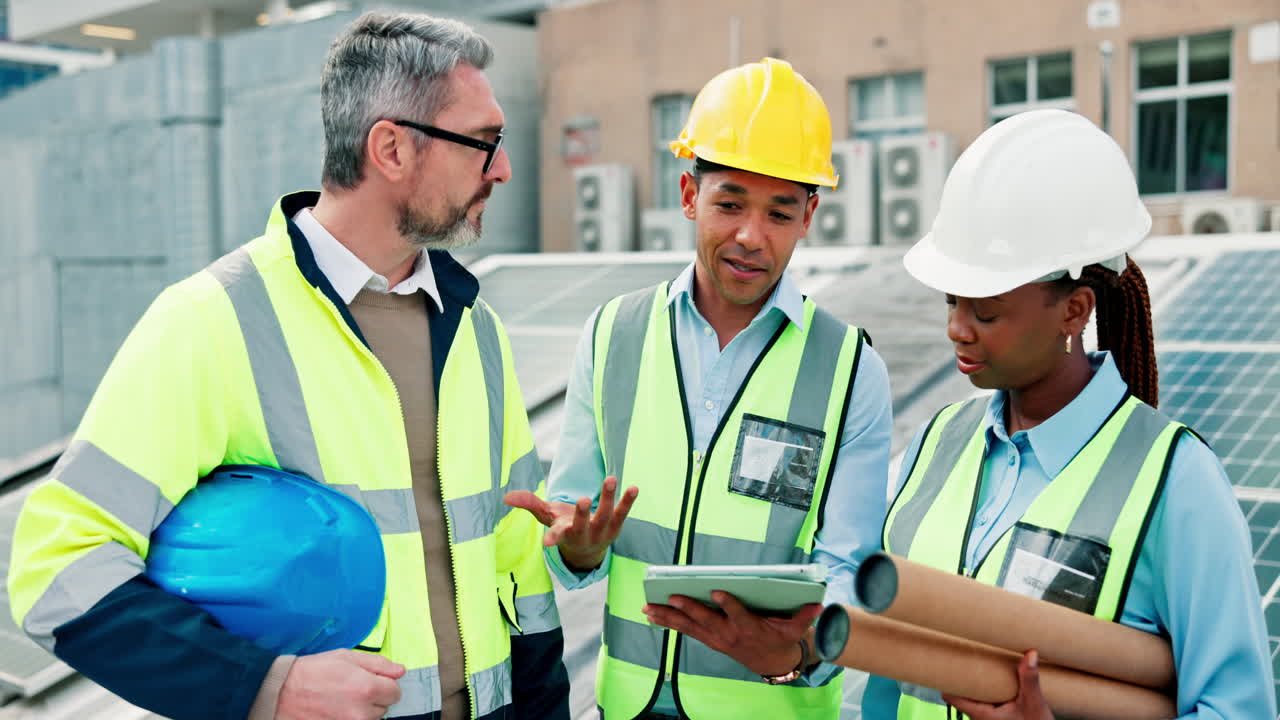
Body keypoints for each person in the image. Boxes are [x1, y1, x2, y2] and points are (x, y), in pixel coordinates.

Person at [7, 12, 569, 720]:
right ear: (391, 149)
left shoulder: (475, 327)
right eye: (483, 144)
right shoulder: (213, 320)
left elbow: (514, 558)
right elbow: (55, 568)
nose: (504, 169)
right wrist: (262, 687)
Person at [506, 58, 893, 719]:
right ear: (688, 195)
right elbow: (574, 529)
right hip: (626, 709)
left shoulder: (851, 369)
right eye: (729, 203)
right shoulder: (613, 335)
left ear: (809, 216)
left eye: (779, 212)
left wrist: (793, 655)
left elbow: (847, 576)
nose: (750, 236)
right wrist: (577, 547)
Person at [867, 109, 1274, 719]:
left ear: (1074, 310)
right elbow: (889, 671)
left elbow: (1238, 709)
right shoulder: (933, 445)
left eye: (986, 310)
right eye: (953, 300)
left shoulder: (1177, 482)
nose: (956, 328)